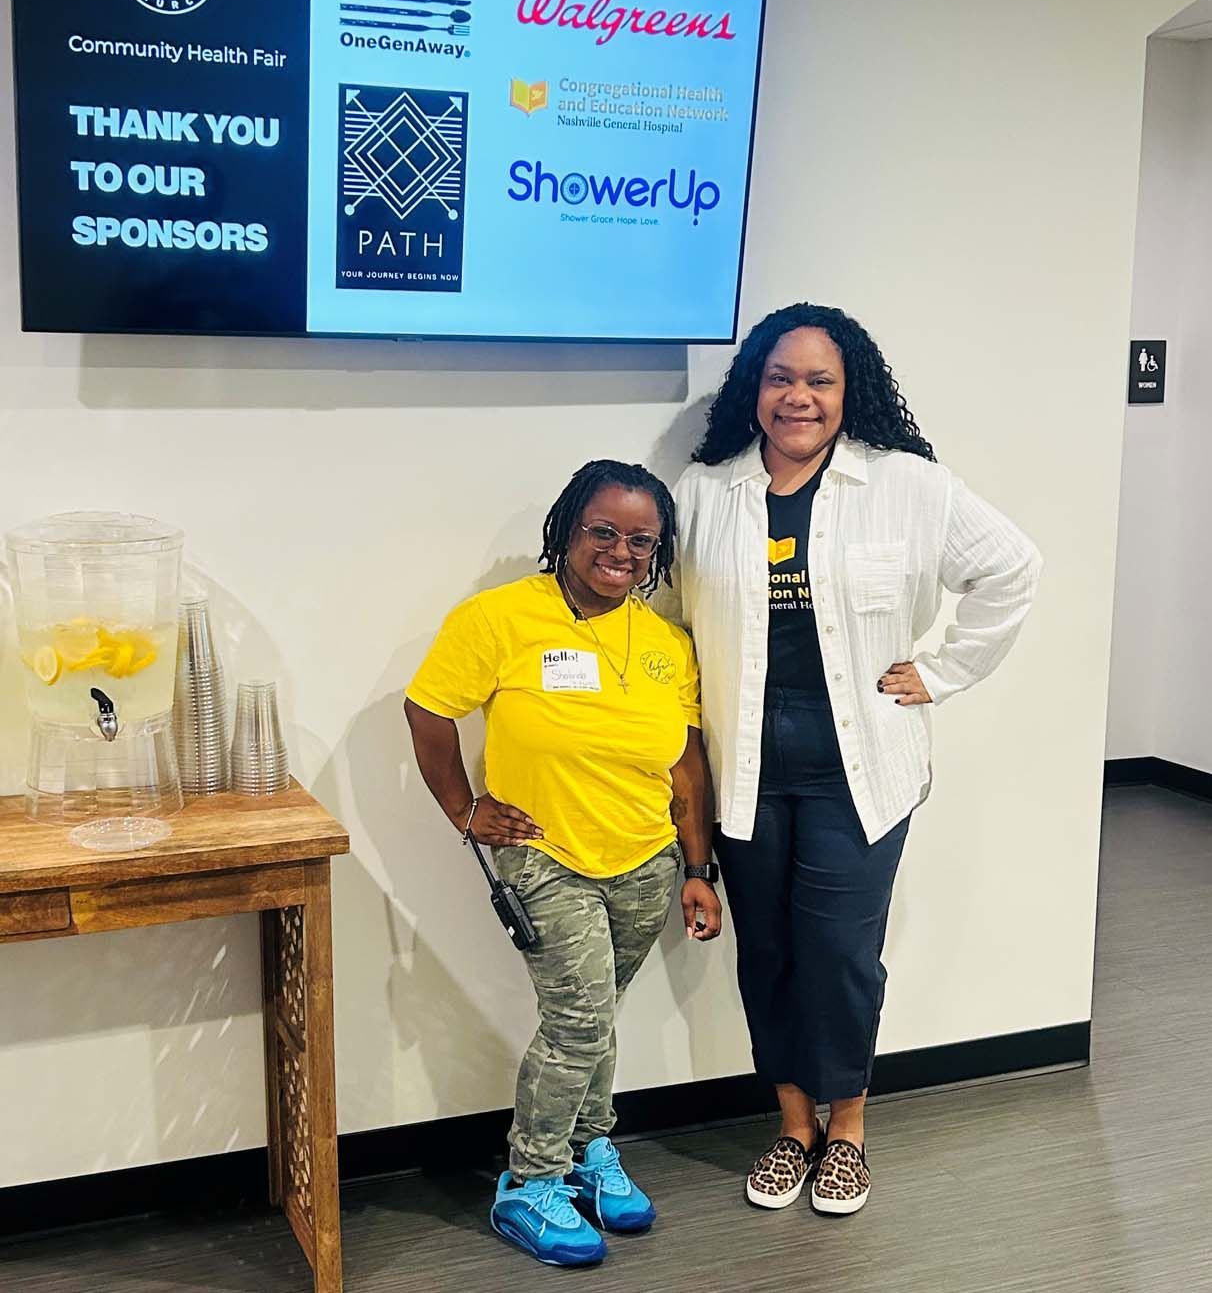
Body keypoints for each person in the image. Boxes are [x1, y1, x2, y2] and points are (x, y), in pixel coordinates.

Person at [669, 304, 1040, 1217]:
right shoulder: (703, 491)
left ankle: (849, 1132)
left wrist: (944, 671)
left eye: (819, 380)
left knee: (839, 953)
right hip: (747, 759)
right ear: (754, 391)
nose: (799, 396)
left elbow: (1013, 567)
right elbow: (671, 622)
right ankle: (793, 1125)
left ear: (849, 391)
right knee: (772, 954)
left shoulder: (906, 483)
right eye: (780, 378)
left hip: (860, 762)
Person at [404, 459, 722, 1269]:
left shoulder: (664, 643)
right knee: (580, 1018)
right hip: (544, 853)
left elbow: (686, 765)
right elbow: (428, 708)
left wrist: (697, 867)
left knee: (595, 1015)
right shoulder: (501, 618)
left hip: (646, 859)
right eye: (603, 531)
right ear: (567, 531)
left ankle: (587, 1150)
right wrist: (464, 809)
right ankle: (529, 1179)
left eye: (640, 540)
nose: (620, 550)